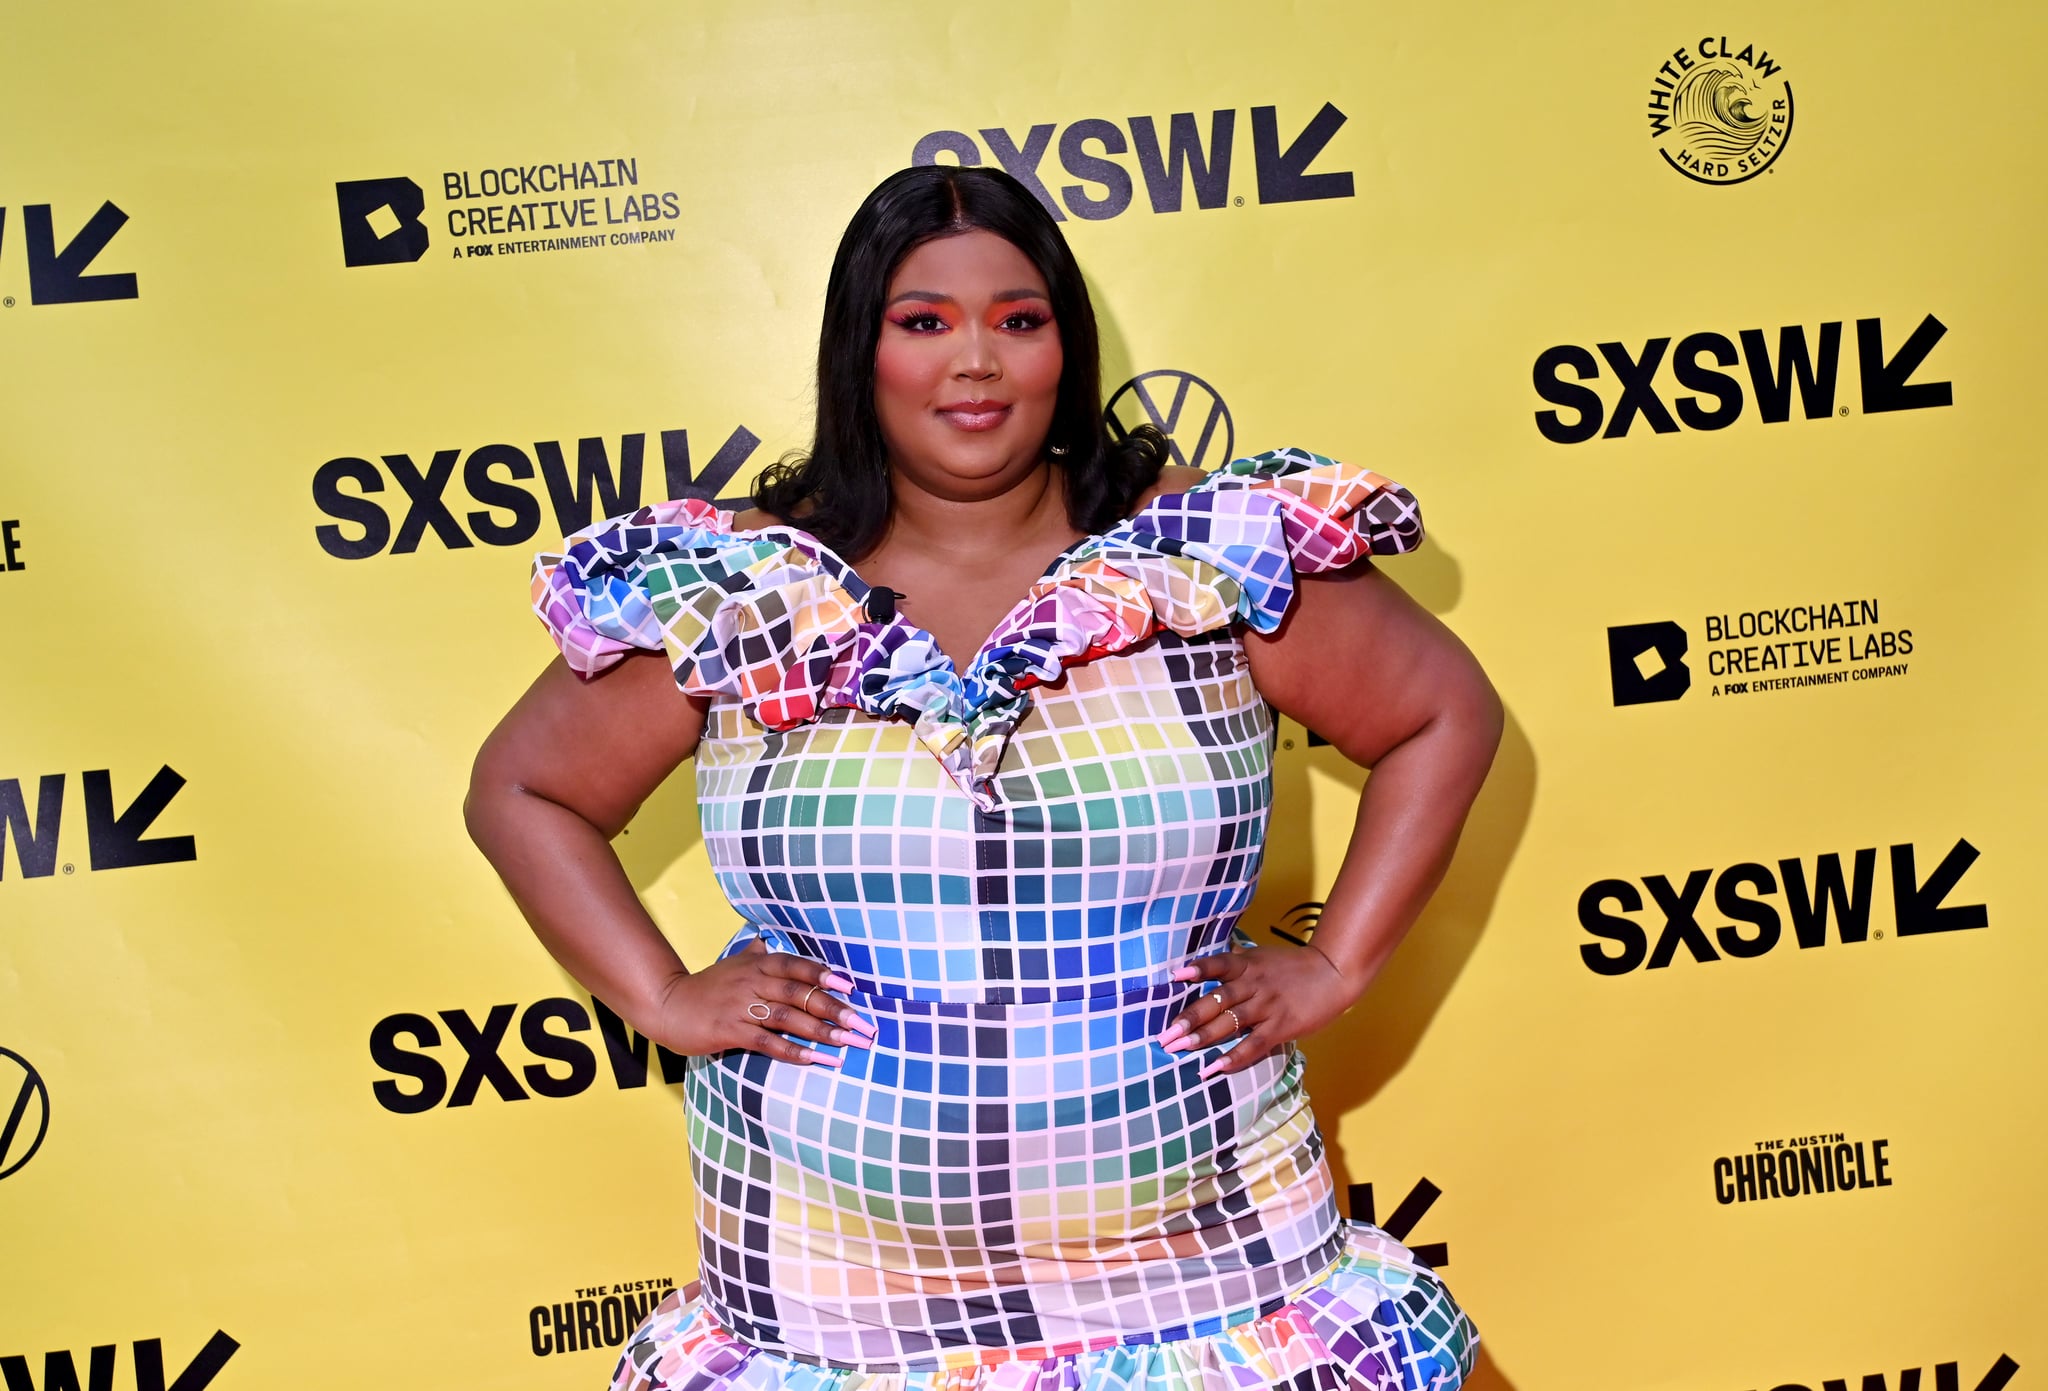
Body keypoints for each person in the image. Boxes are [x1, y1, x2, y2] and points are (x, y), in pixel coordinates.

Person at [467, 164, 1501, 1391]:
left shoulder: (1196, 553)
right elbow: (524, 791)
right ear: (862, 350)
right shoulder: (743, 584)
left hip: (1210, 1270)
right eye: (924, 322)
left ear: (1064, 345)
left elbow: (1441, 712)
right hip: (828, 1287)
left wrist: (1336, 964)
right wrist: (658, 993)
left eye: (1018, 319)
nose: (976, 361)